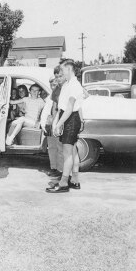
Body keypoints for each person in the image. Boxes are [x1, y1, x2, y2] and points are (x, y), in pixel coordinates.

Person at [47, 59, 84, 193]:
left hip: (70, 119)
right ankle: (75, 180)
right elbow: (62, 108)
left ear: (69, 69)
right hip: (68, 117)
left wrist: (59, 124)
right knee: (73, 151)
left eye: (62, 70)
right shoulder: (68, 84)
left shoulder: (74, 85)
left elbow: (69, 108)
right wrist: (58, 121)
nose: (61, 73)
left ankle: (63, 183)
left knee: (67, 153)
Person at [40, 76, 63, 179]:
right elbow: (45, 111)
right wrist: (43, 123)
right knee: (52, 148)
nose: (52, 86)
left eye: (54, 84)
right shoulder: (50, 96)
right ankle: (53, 167)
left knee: (59, 148)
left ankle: (60, 169)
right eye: (51, 84)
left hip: (58, 125)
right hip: (49, 125)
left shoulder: (62, 95)